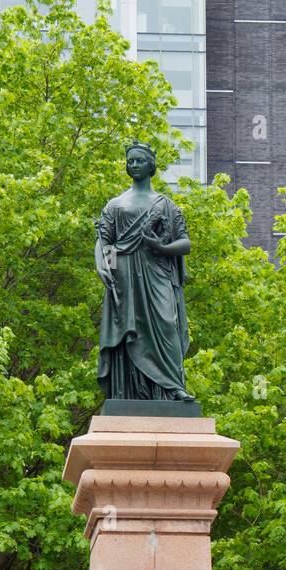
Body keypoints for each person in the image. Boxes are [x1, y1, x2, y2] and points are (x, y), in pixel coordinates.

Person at [95, 142, 194, 403]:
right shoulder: (115, 205)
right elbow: (106, 241)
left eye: (140, 161)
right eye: (131, 161)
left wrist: (161, 246)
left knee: (166, 325)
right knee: (129, 329)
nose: (135, 165)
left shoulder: (166, 205)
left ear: (151, 166)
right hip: (125, 275)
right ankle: (128, 392)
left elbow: (185, 244)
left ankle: (172, 387)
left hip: (157, 273)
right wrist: (105, 266)